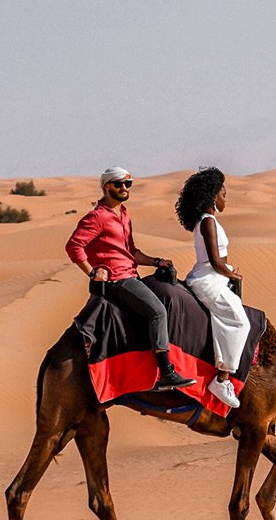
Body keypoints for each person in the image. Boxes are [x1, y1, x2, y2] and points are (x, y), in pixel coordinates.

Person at [66, 167, 194, 391]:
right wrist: (92, 271)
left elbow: (131, 251)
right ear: (106, 187)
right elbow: (74, 246)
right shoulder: (97, 217)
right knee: (157, 311)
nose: (124, 188)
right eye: (118, 184)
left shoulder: (124, 214)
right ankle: (166, 371)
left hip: (131, 273)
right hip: (118, 279)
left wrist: (156, 262)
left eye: (128, 184)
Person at [175, 167, 250, 409]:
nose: (225, 199)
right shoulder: (207, 222)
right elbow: (216, 261)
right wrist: (232, 273)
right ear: (213, 197)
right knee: (241, 322)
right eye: (224, 195)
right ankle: (223, 378)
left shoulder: (208, 221)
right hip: (209, 279)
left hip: (213, 277)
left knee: (227, 319)